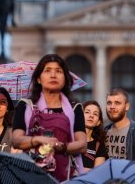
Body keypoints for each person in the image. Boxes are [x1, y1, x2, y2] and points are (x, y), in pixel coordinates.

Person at [12, 54, 87, 182]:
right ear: (38, 79)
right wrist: (38, 140)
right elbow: (16, 140)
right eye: (47, 71)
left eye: (58, 71)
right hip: (30, 175)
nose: (53, 75)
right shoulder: (25, 105)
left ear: (65, 79)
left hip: (66, 176)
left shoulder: (75, 108)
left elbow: (82, 144)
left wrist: (62, 147)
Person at [105, 88, 135, 161]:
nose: (112, 107)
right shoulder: (104, 132)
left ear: (127, 106)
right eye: (109, 103)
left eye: (117, 103)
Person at [82, 100, 108, 172]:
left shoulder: (99, 145)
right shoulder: (71, 139)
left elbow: (98, 172)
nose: (91, 116)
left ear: (98, 122)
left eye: (95, 114)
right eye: (87, 112)